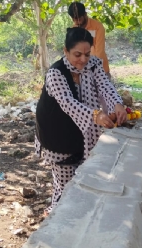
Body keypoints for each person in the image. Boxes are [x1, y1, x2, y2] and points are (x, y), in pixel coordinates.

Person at [35, 27, 127, 212]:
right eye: (77, 54)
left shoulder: (93, 64)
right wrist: (95, 115)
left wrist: (117, 104)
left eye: (87, 53)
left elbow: (105, 87)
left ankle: (80, 217)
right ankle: (58, 223)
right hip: (59, 136)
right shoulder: (56, 73)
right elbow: (67, 103)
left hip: (85, 133)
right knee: (65, 187)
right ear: (65, 51)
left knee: (85, 178)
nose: (83, 60)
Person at [68, 2, 110, 77]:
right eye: (75, 20)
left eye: (79, 19)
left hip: (100, 70)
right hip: (83, 72)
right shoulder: (74, 29)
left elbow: (99, 52)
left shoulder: (98, 27)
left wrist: (91, 70)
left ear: (85, 14)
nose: (78, 22)